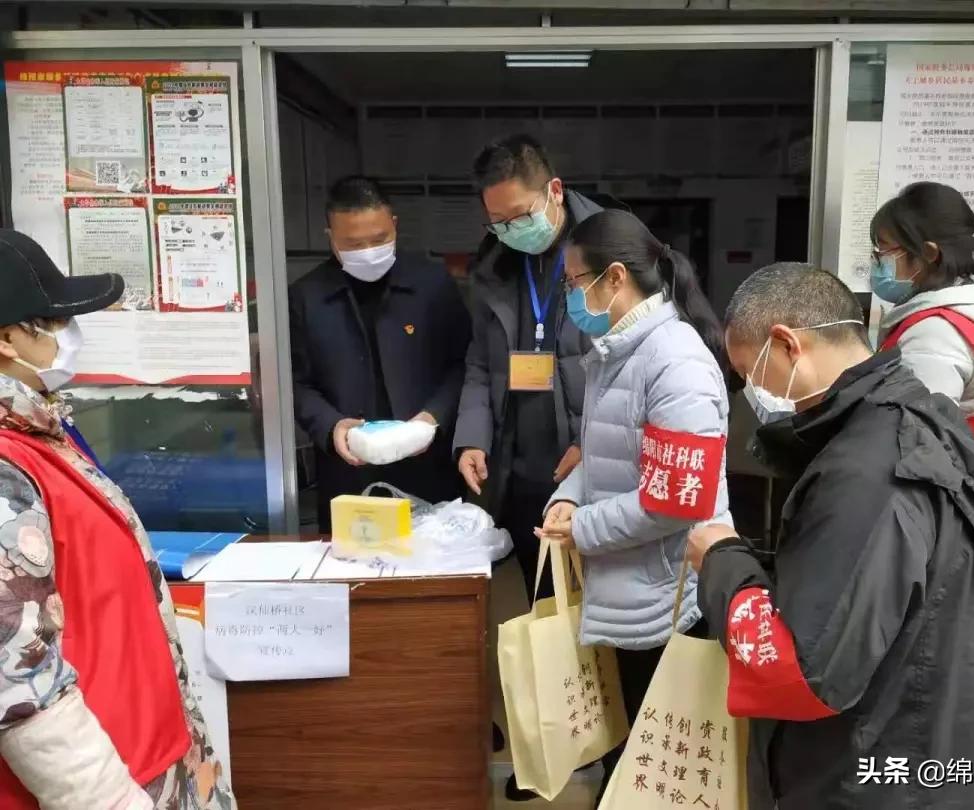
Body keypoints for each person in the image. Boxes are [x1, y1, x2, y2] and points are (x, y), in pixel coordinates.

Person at [688, 263, 974, 810]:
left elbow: (805, 671)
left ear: (788, 344)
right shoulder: (912, 416)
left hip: (876, 776)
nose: (754, 393)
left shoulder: (869, 469)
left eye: (751, 373)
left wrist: (723, 560)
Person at [0, 230, 234, 809]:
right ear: (8, 338)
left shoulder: (38, 432)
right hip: (107, 782)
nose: (69, 335)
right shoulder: (7, 464)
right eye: (53, 322)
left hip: (143, 748)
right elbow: (14, 674)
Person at [539, 210, 732, 807]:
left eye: (573, 282)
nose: (569, 296)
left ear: (615, 277)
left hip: (665, 599)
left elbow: (676, 501)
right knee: (633, 759)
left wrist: (584, 528)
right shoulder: (618, 350)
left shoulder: (676, 363)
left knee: (656, 767)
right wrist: (568, 498)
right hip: (630, 588)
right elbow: (603, 456)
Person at [454, 135, 626, 602]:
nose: (512, 230)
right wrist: (472, 437)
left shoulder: (613, 248)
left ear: (554, 189)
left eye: (521, 216)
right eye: (498, 223)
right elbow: (478, 360)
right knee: (546, 605)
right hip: (521, 465)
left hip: (592, 465)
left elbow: (638, 368)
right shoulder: (495, 265)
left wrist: (591, 444)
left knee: (600, 607)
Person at [871, 182, 974, 599]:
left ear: (929, 254)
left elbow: (915, 447)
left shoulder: (935, 335)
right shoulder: (959, 319)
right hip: (964, 524)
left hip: (938, 536)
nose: (876, 263)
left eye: (884, 251)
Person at [290, 175, 471, 531]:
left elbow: (464, 364)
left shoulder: (432, 284)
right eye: (353, 244)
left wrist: (433, 417)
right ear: (331, 238)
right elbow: (295, 384)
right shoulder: (307, 297)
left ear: (395, 225)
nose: (368, 251)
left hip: (427, 466)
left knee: (434, 572)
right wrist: (330, 426)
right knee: (355, 580)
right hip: (349, 473)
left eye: (378, 239)